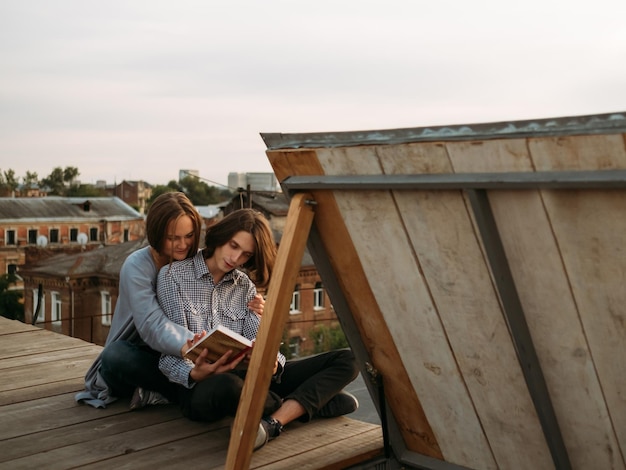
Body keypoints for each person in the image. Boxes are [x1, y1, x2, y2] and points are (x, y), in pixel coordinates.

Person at [157, 208, 359, 451]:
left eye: (245, 255)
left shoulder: (245, 287)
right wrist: (194, 374)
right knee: (229, 386)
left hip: (254, 379)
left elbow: (260, 343)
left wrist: (271, 360)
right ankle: (300, 406)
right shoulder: (172, 276)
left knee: (349, 359)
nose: (235, 258)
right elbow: (167, 353)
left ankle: (276, 419)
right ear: (221, 237)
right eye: (233, 245)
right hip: (204, 387)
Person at [74, 192, 265, 409]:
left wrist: (255, 305)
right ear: (157, 233)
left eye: (189, 235)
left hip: (184, 359)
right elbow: (152, 325)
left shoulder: (195, 261)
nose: (183, 245)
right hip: (145, 354)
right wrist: (197, 346)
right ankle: (176, 392)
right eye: (173, 238)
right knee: (116, 356)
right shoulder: (136, 266)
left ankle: (166, 392)